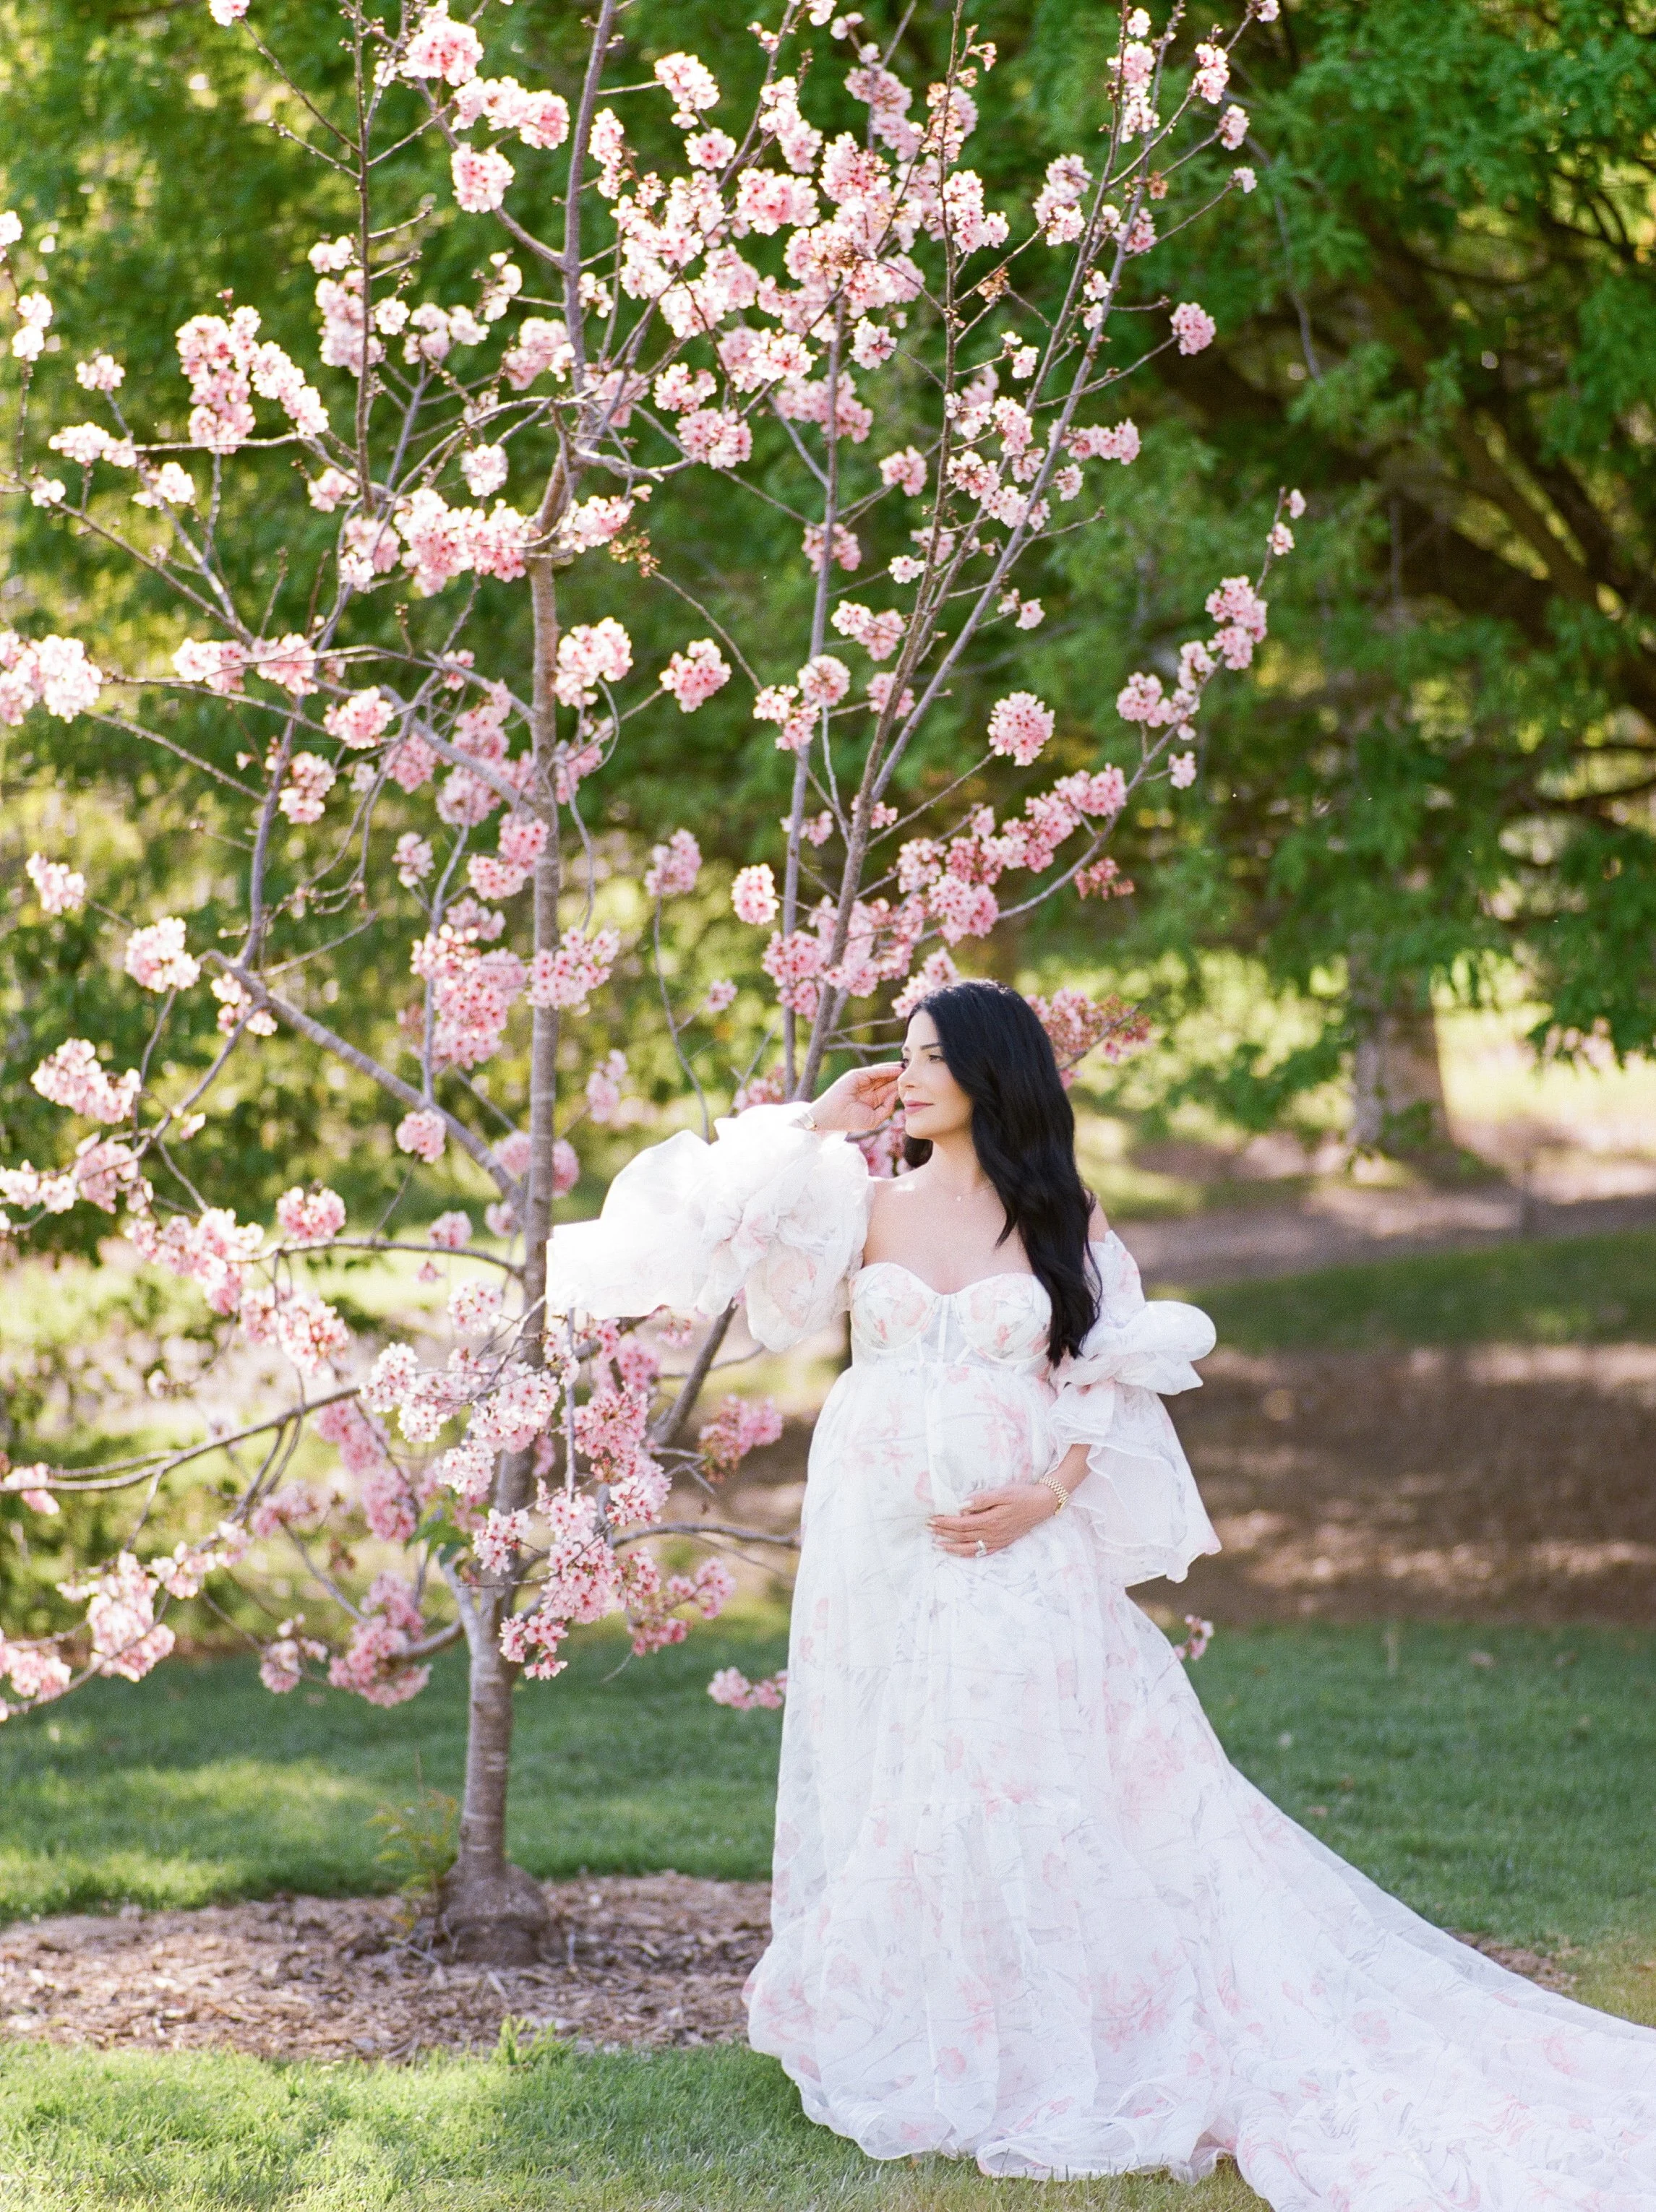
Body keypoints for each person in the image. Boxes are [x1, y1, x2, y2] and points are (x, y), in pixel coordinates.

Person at [547, 978, 1656, 2203]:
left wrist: (1049, 1493)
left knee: (1025, 1759)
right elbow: (693, 1240)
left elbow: (1113, 1368)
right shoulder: (856, 1204)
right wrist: (815, 1119)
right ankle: (941, 2019)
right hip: (876, 1533)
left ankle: (1075, 2019)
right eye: (900, 1057)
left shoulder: (1061, 1213)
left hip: (1022, 1537)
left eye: (929, 1059)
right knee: (900, 1751)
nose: (905, 1077)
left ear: (991, 1074)